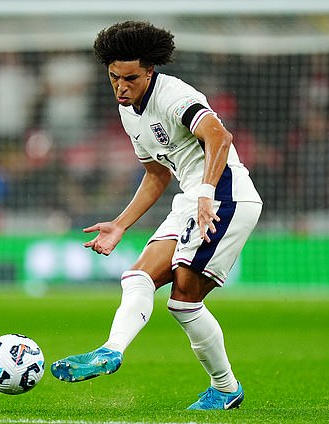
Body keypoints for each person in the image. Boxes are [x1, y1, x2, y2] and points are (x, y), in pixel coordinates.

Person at [50, 21, 263, 411]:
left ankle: (226, 388)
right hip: (191, 198)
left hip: (226, 196)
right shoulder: (129, 111)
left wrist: (206, 193)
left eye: (130, 78)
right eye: (113, 77)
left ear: (150, 71)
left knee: (183, 300)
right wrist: (120, 224)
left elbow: (220, 137)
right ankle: (111, 351)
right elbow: (156, 174)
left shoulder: (174, 95)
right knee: (137, 276)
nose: (120, 87)